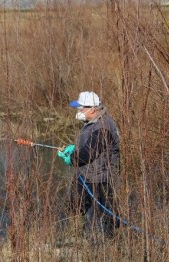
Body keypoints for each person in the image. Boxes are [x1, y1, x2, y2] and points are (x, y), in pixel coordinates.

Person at [57, 91, 121, 239]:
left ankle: (100, 246)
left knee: (100, 219)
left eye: (81, 108)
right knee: (75, 206)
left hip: (100, 181)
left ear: (92, 109)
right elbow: (89, 148)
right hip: (87, 176)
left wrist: (72, 158)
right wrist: (74, 150)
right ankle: (81, 236)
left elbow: (87, 154)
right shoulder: (93, 123)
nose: (78, 111)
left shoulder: (103, 128)